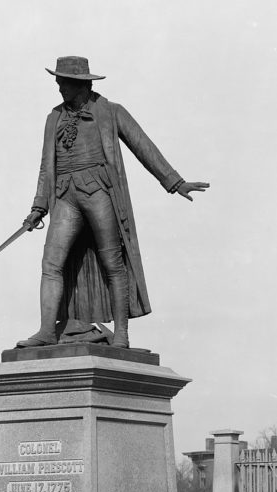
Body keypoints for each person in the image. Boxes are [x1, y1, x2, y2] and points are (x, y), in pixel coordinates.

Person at [17, 56, 209, 349]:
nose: (59, 88)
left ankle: (121, 334)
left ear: (81, 84)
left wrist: (175, 182)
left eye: (63, 83)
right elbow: (46, 167)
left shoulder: (110, 112)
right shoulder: (53, 117)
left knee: (113, 262)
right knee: (51, 263)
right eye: (58, 82)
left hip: (99, 191)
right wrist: (37, 208)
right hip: (65, 195)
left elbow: (143, 145)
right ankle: (46, 330)